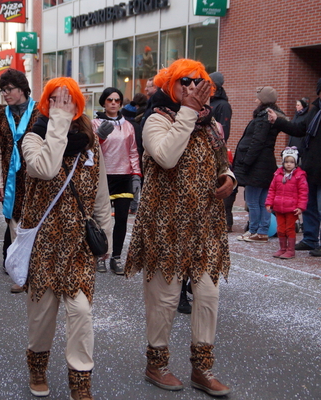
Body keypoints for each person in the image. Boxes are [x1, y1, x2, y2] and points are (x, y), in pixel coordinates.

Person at [124, 59, 234, 397]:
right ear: (170, 85)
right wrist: (187, 111)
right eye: (184, 82)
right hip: (165, 225)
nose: (190, 87)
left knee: (207, 296)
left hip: (206, 225)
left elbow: (223, 161)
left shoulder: (211, 124)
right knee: (166, 298)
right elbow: (166, 156)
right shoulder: (156, 120)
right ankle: (156, 364)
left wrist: (230, 177)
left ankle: (202, 369)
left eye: (197, 82)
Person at [20, 77, 112, 400]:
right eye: (55, 99)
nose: (62, 104)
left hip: (78, 244)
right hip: (43, 243)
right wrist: (57, 123)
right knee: (42, 316)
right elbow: (45, 168)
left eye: (68, 99)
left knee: (82, 312)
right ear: (46, 103)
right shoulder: (32, 138)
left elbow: (101, 192)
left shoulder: (90, 141)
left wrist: (106, 236)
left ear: (78, 104)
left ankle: (80, 381)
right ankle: (37, 367)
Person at [268, 75, 321, 257]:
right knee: (309, 205)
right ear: (318, 94)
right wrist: (279, 121)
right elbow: (299, 129)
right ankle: (310, 239)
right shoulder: (316, 110)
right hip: (310, 166)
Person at [0, 68, 41, 293]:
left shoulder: (41, 112)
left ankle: (38, 273)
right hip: (11, 180)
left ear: (22, 89)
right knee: (14, 227)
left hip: (37, 179)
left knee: (37, 225)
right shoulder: (0, 116)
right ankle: (21, 276)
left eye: (9, 90)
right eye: (3, 91)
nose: (5, 94)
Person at [92, 87, 141, 275]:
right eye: (110, 100)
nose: (113, 103)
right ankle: (101, 255)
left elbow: (133, 151)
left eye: (117, 100)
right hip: (102, 176)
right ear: (104, 102)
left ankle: (117, 257)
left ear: (121, 103)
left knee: (121, 219)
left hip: (124, 177)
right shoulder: (94, 123)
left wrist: (136, 175)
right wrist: (100, 138)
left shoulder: (128, 126)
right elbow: (90, 150)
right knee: (101, 221)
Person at [234, 86, 286, 243]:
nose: (255, 98)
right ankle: (262, 231)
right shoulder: (270, 116)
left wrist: (246, 162)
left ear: (263, 99)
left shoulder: (264, 117)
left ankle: (255, 230)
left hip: (257, 165)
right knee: (263, 201)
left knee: (253, 201)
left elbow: (257, 141)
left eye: (258, 96)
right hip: (265, 163)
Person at [265, 147, 309, 258]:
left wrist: (300, 207)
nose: (289, 164)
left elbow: (303, 192)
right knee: (280, 229)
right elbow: (272, 190)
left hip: (291, 209)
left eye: (292, 162)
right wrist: (269, 203)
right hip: (279, 207)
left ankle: (290, 250)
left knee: (290, 229)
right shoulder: (277, 175)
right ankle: (283, 248)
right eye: (286, 162)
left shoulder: (299, 176)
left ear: (296, 163)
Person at [209, 72, 235, 231]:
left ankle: (225, 221)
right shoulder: (208, 102)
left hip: (215, 151)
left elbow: (223, 132)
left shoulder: (222, 105)